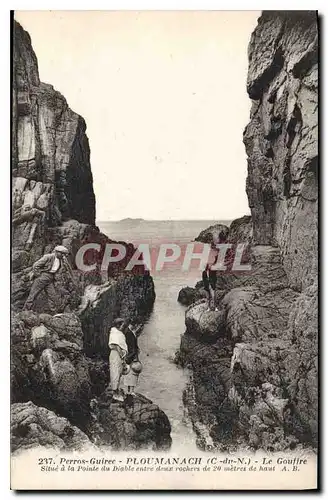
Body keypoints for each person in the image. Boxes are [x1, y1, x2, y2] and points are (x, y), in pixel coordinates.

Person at [23, 245, 74, 311]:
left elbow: (62, 270)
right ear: (57, 252)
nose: (63, 255)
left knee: (53, 296)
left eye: (64, 254)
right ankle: (25, 311)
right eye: (62, 253)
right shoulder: (48, 257)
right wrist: (38, 275)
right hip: (42, 278)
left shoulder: (61, 260)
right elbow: (36, 265)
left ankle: (55, 312)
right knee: (33, 295)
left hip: (50, 279)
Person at [108, 318, 129, 402]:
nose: (123, 327)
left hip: (118, 355)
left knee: (119, 372)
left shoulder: (118, 333)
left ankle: (116, 390)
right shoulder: (115, 333)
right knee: (115, 372)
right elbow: (116, 346)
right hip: (116, 355)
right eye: (122, 325)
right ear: (118, 325)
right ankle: (115, 394)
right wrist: (122, 357)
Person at [123, 320, 143, 396]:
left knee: (130, 374)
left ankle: (129, 391)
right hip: (132, 357)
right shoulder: (130, 333)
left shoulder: (129, 334)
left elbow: (132, 348)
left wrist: (126, 358)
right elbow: (133, 348)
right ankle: (130, 392)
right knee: (132, 374)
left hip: (130, 357)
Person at [202, 245, 219, 312]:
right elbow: (203, 280)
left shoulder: (213, 271)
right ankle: (209, 308)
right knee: (208, 297)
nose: (209, 265)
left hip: (211, 285)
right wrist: (205, 286)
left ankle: (215, 307)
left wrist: (213, 284)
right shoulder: (204, 272)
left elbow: (215, 277)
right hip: (207, 286)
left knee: (213, 296)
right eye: (208, 265)